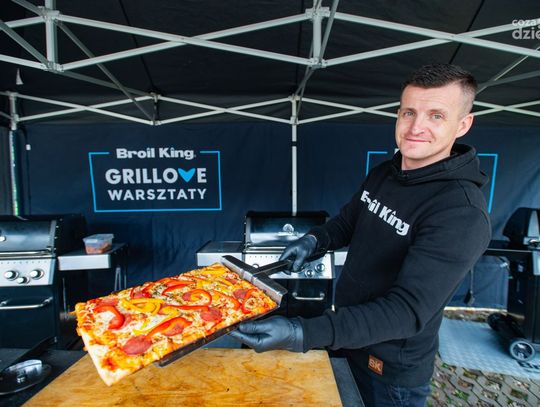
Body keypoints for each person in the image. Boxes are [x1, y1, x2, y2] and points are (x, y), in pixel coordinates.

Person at [229, 63, 491, 407]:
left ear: (463, 124)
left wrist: (302, 332)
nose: (416, 127)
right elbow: (348, 222)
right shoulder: (386, 172)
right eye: (409, 112)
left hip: (389, 371)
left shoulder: (461, 212)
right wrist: (315, 241)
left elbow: (405, 311)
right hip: (346, 339)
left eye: (436, 116)